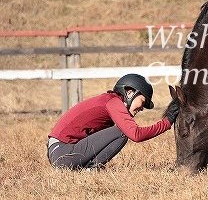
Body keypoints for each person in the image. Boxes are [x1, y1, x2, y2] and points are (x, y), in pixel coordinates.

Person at [47, 73, 179, 170]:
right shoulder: (113, 102)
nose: (142, 108)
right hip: (62, 152)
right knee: (123, 132)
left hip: (59, 152)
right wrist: (166, 122)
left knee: (120, 132)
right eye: (143, 102)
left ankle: (89, 169)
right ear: (129, 92)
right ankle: (91, 170)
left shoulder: (108, 101)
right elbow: (136, 135)